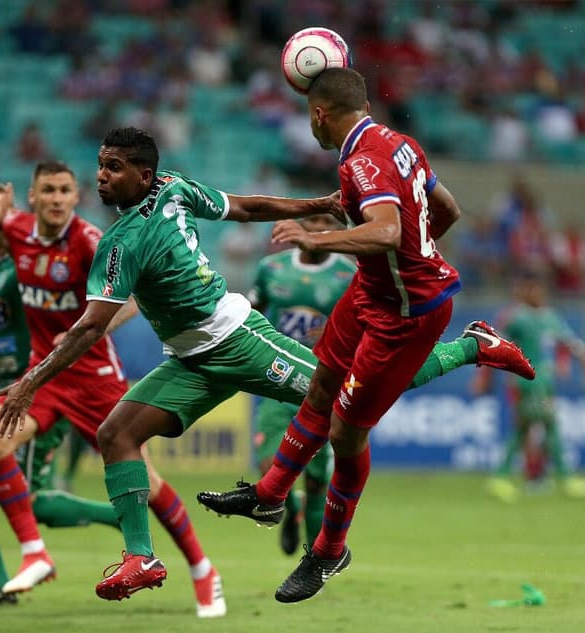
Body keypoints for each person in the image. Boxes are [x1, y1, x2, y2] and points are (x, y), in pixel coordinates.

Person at [0, 125, 532, 604]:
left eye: (115, 168)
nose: (101, 177)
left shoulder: (148, 216)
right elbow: (93, 322)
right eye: (100, 166)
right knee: (116, 434)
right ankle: (142, 558)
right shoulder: (150, 209)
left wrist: (28, 383)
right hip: (192, 360)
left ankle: (471, 346)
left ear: (146, 174)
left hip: (238, 340)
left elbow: (238, 211)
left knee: (352, 398)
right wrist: (314, 206)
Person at [196, 68, 535, 603]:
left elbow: (387, 230)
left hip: (407, 314)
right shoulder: (398, 145)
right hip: (371, 292)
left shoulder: (364, 161)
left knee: (345, 433)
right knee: (320, 388)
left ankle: (330, 550)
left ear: (319, 115)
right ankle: (268, 495)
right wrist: (411, 255)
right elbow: (445, 210)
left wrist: (325, 239)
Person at [0, 162, 226, 617]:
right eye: (49, 190)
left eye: (65, 190)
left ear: (75, 197)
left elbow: (134, 301)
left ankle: (203, 569)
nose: (58, 198)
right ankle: (35, 553)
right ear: (33, 196)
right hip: (44, 376)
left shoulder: (90, 241)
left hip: (94, 380)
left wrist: (94, 330)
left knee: (150, 483)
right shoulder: (15, 229)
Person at [0, 183, 120, 606]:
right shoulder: (0, 271)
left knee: (33, 500)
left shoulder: (27, 265)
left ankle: (116, 517)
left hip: (37, 390)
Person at [246, 213, 357, 555]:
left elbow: (366, 324)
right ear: (299, 225)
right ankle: (290, 512)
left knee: (315, 480)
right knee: (268, 470)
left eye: (330, 222)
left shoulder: (348, 274)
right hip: (276, 381)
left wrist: (339, 333)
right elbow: (251, 312)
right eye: (313, 220)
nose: (321, 227)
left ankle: (315, 562)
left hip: (323, 387)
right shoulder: (271, 268)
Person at [481, 271, 585, 503]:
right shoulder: (518, 317)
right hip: (527, 381)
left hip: (544, 381)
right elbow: (495, 343)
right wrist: (486, 374)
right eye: (531, 289)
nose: (536, 293)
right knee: (549, 423)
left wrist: (582, 354)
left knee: (523, 429)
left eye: (538, 288)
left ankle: (501, 477)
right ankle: (564, 477)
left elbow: (567, 340)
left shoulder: (550, 316)